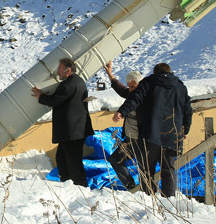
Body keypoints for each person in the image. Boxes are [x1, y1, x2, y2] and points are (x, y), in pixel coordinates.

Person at [113, 63, 192, 197]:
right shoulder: (180, 87)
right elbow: (187, 110)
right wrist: (185, 130)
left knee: (146, 170)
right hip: (173, 134)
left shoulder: (148, 83)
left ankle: (150, 201)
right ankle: (170, 201)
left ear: (154, 73)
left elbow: (135, 99)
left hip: (151, 133)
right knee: (168, 170)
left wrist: (122, 112)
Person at [31, 57, 93, 187]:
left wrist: (41, 97)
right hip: (75, 131)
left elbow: (56, 101)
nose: (57, 72)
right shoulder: (77, 81)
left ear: (68, 71)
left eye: (59, 70)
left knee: (73, 162)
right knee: (62, 159)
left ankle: (81, 187)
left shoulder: (67, 85)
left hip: (72, 132)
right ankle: (68, 185)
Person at [102, 60, 143, 190]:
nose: (130, 89)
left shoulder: (146, 98)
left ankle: (148, 192)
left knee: (145, 166)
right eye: (129, 86)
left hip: (143, 139)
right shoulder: (132, 94)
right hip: (130, 140)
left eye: (133, 86)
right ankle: (131, 187)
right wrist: (111, 75)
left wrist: (120, 113)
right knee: (115, 160)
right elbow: (121, 89)